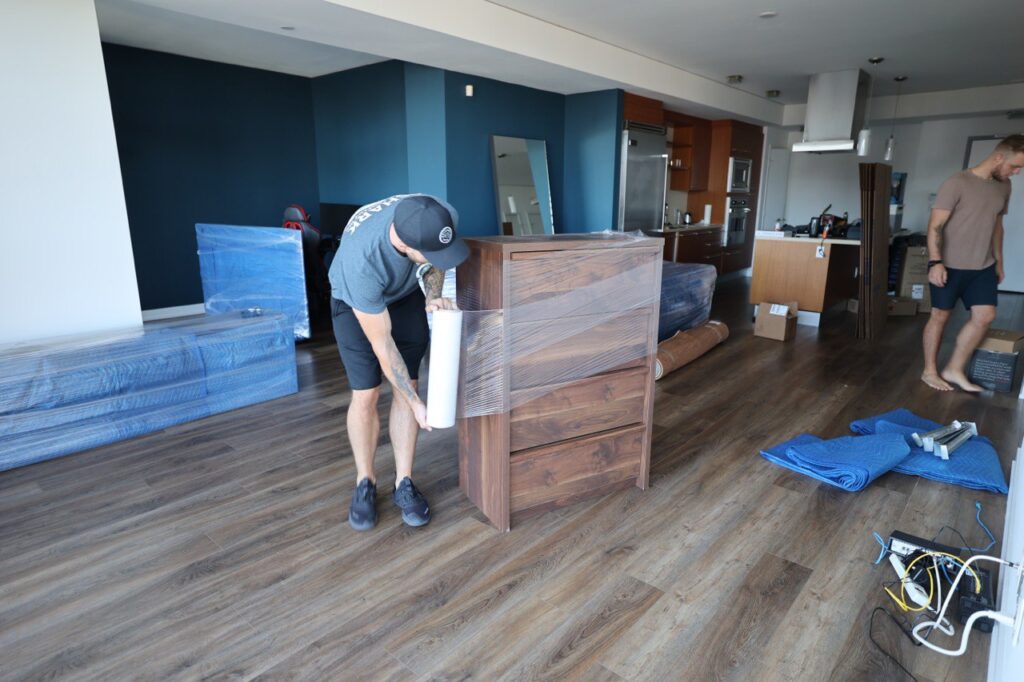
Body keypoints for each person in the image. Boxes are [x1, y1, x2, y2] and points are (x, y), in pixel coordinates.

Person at [328, 194, 468, 530]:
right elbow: (383, 345)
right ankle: (365, 482)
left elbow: (437, 257)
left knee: (412, 385)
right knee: (367, 393)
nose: (440, 256)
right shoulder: (360, 263)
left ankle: (403, 482)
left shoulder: (440, 213)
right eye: (429, 251)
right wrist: (415, 403)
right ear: (403, 243)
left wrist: (433, 295)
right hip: (354, 301)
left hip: (403, 294)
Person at [921, 134, 1023, 392]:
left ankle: (954, 368)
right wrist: (935, 262)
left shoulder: (1004, 186)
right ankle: (929, 371)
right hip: (949, 265)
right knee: (940, 316)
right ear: (999, 157)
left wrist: (999, 261)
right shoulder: (957, 183)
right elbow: (935, 226)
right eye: (1015, 166)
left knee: (985, 316)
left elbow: (997, 226)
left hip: (983, 265)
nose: (1017, 172)